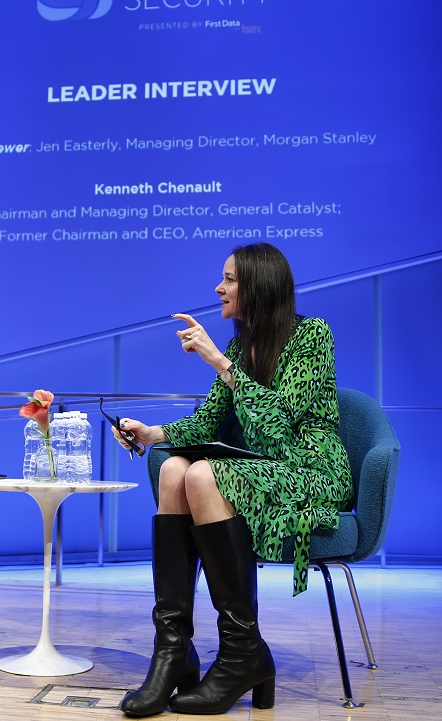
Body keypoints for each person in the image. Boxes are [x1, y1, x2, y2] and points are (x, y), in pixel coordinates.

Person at [113, 242, 353, 716]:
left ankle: (243, 651)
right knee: (175, 468)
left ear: (259, 285)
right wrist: (152, 433)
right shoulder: (241, 345)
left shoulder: (312, 336)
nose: (219, 287)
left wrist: (220, 364)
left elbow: (279, 425)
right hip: (261, 469)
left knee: (203, 475)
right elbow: (208, 422)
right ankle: (174, 648)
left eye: (230, 279)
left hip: (311, 471)